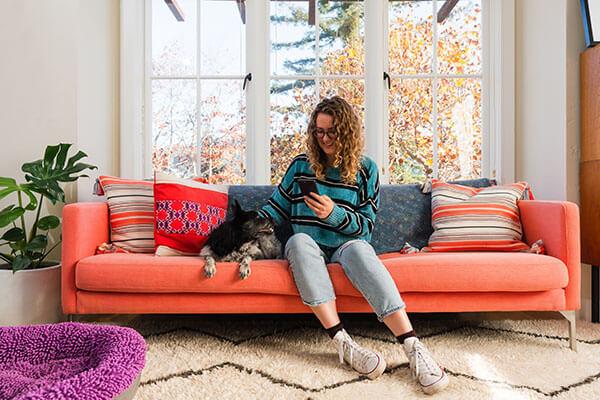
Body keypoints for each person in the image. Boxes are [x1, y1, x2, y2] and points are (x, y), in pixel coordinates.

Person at [258, 96, 449, 395]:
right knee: (297, 241)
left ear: (347, 131)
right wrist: (239, 227)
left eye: (331, 132)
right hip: (308, 246)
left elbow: (365, 228)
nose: (324, 139)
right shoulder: (300, 166)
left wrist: (332, 212)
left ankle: (412, 345)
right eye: (318, 132)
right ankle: (343, 343)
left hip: (347, 246)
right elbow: (275, 208)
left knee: (361, 249)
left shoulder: (366, 170)